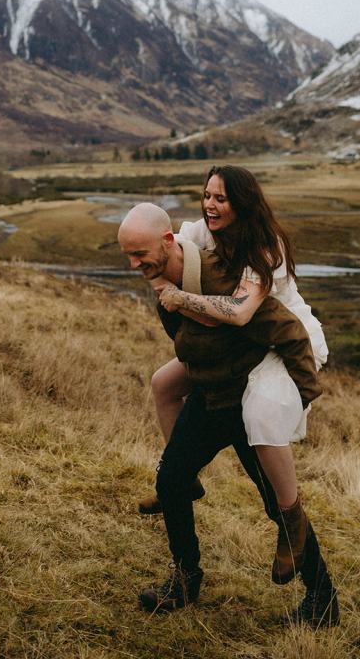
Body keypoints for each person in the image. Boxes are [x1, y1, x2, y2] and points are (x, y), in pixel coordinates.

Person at [117, 203, 339, 628]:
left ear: (168, 242)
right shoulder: (164, 280)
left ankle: (322, 601)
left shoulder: (222, 277)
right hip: (210, 393)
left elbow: (280, 327)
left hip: (245, 396)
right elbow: (187, 341)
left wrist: (304, 387)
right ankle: (185, 580)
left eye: (140, 253)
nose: (134, 263)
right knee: (172, 480)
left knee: (278, 505)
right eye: (128, 255)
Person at [144, 165, 328, 518]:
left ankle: (290, 516)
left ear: (242, 203)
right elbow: (171, 257)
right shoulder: (202, 231)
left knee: (259, 415)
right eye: (207, 195)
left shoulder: (264, 245)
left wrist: (182, 299)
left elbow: (241, 312)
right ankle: (182, 477)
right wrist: (152, 265)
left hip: (278, 341)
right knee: (163, 384)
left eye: (221, 199)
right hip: (238, 339)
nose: (209, 205)